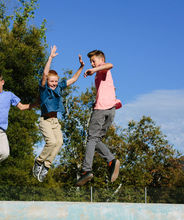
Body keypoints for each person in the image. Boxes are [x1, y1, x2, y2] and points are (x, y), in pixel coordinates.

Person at [33, 45, 85, 182]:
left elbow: (73, 79)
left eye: (55, 81)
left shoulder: (59, 87)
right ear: (47, 82)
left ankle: (46, 166)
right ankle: (38, 162)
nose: (54, 83)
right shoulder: (44, 89)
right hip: (44, 120)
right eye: (52, 81)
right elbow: (45, 74)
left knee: (59, 142)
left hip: (55, 122)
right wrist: (50, 57)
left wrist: (81, 67)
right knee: (51, 142)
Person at [76, 50, 122, 186]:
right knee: (96, 140)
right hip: (111, 110)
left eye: (93, 61)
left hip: (102, 109)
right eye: (90, 61)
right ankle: (111, 161)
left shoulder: (103, 69)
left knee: (91, 139)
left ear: (101, 60)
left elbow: (110, 65)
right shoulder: (100, 75)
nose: (92, 64)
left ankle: (86, 170)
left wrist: (94, 69)